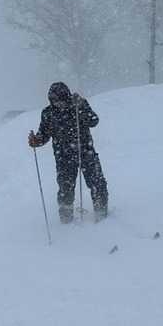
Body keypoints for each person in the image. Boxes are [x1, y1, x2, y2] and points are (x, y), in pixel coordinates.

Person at [28, 82, 109, 223]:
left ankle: (102, 214)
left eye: (62, 101)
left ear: (67, 97)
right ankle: (66, 220)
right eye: (55, 102)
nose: (59, 104)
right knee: (65, 190)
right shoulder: (48, 113)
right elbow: (44, 135)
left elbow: (93, 121)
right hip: (63, 157)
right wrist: (36, 141)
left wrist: (82, 106)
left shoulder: (78, 105)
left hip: (86, 152)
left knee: (98, 183)